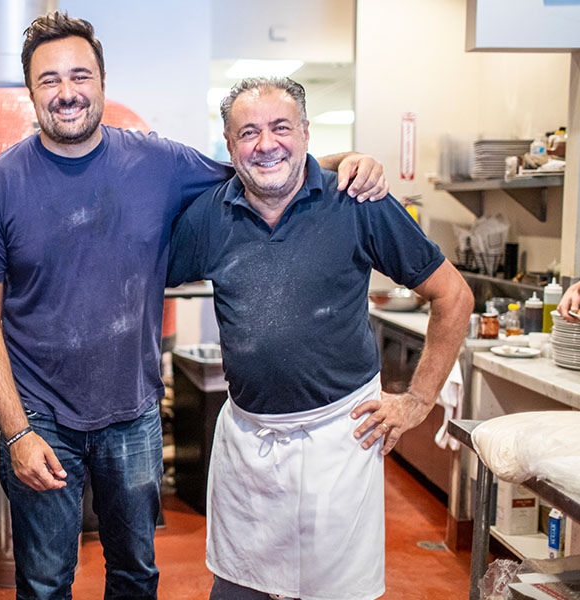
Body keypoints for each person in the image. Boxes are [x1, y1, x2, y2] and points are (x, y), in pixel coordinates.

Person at [0, 12, 389, 600]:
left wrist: (345, 160)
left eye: (79, 75)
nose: (66, 92)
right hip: (40, 416)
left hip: (132, 413)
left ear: (103, 81)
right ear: (31, 92)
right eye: (48, 80)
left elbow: (260, 166)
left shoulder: (158, 163)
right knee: (45, 580)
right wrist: (16, 432)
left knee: (135, 574)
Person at [167, 77, 474, 600]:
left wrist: (418, 400)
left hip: (340, 440)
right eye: (248, 133)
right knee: (238, 591)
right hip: (250, 444)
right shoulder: (208, 218)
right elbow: (135, 278)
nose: (265, 144)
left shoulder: (357, 201)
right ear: (228, 140)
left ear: (306, 133)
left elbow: (454, 297)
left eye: (281, 127)